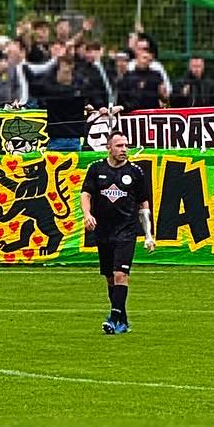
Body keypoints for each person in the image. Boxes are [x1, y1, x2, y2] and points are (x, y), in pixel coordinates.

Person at [81, 131, 155, 334]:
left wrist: (148, 234)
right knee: (110, 278)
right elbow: (86, 194)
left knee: (120, 274)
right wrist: (87, 214)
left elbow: (144, 203)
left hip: (127, 231)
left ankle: (113, 319)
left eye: (126, 145)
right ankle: (123, 320)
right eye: (119, 146)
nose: (124, 150)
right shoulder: (96, 169)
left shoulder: (135, 172)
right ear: (109, 148)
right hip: (103, 231)